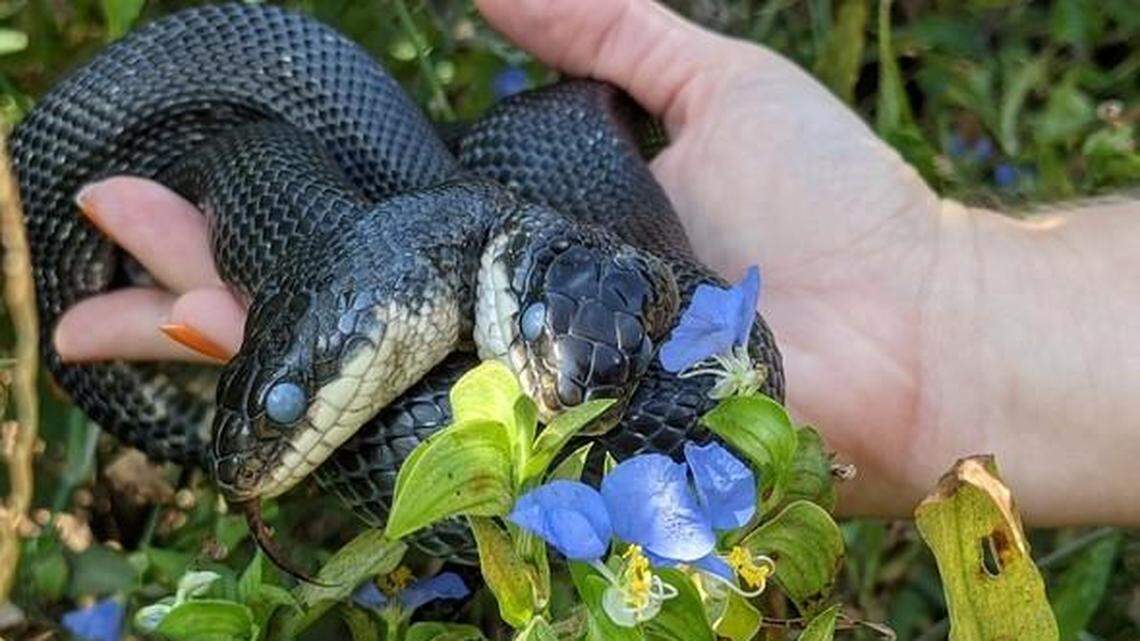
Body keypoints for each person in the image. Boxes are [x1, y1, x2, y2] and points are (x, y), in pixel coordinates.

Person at [51, 0, 1140, 527]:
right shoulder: (443, 242)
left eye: (292, 397)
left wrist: (940, 308)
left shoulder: (550, 259)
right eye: (291, 396)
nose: (581, 403)